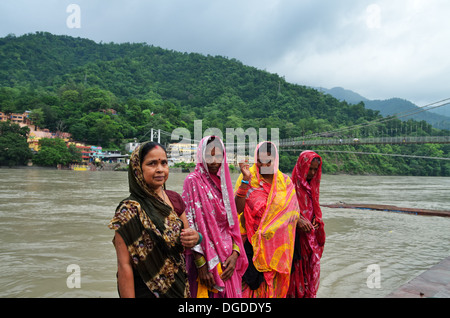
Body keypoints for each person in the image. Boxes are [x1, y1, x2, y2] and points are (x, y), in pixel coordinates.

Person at [108, 141, 199, 298]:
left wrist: (197, 237)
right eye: (152, 164)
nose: (160, 169)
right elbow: (125, 266)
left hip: (179, 289)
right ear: (137, 169)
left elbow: (188, 236)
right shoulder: (128, 211)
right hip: (145, 290)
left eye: (164, 163)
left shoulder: (174, 199)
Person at [182, 136, 248, 298]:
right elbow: (189, 226)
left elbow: (232, 220)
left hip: (227, 260)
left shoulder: (222, 182)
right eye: (209, 155)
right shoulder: (192, 181)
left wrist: (235, 253)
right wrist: (201, 265)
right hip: (205, 261)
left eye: (218, 156)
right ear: (201, 156)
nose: (214, 161)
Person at [235, 141, 302, 298]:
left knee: (276, 291)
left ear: (275, 160)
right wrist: (245, 180)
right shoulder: (248, 178)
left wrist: (271, 228)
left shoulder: (285, 183)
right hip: (252, 247)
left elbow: (292, 213)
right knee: (250, 292)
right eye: (260, 160)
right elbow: (237, 210)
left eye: (268, 161)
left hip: (279, 250)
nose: (263, 164)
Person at [288, 150, 326, 298]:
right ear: (301, 166)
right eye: (309, 168)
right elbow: (281, 211)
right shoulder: (289, 186)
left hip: (310, 242)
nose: (311, 173)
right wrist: (297, 219)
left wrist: (317, 220)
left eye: (315, 169)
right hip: (295, 243)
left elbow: (314, 208)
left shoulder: (313, 188)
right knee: (295, 279)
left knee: (308, 276)